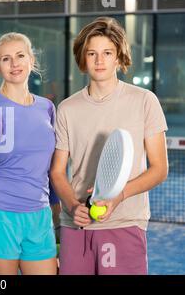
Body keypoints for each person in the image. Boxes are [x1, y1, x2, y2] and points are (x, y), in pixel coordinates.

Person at [50, 17, 168, 275]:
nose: (99, 60)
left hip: (124, 222)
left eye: (107, 53)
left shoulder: (145, 101)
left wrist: (119, 196)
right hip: (76, 225)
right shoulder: (67, 108)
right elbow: (57, 171)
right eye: (92, 53)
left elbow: (159, 169)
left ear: (118, 57)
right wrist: (72, 206)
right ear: (83, 58)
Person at [0, 32, 58, 275]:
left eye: (20, 56)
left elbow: (51, 170)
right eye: (6, 59)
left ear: (31, 60)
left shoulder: (47, 108)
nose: (14, 64)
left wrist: (58, 224)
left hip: (40, 218)